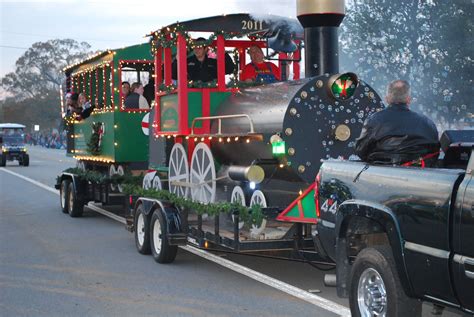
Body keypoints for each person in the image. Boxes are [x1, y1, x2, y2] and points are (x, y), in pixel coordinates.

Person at [355, 80, 440, 166]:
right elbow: (435, 154)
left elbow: (361, 151)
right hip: (419, 174)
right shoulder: (427, 123)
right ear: (409, 100)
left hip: (382, 174)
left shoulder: (374, 120)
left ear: (387, 99)